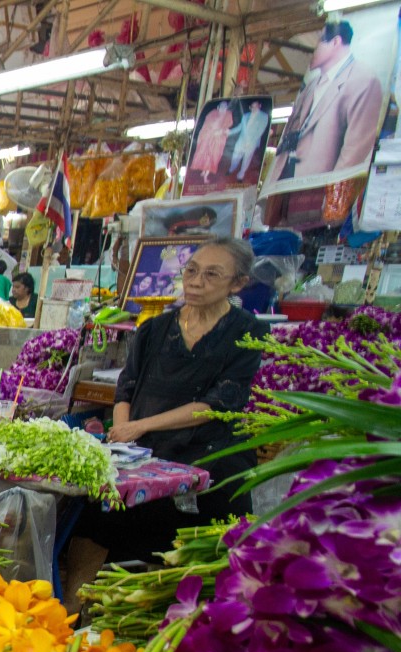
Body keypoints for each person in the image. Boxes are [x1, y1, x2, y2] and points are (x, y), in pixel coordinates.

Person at [72, 237, 265, 567]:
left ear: (238, 283)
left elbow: (219, 403)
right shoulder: (155, 329)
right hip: (146, 450)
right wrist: (122, 436)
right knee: (93, 513)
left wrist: (139, 426)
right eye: (191, 270)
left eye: (212, 275)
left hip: (210, 450)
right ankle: (77, 607)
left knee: (204, 520)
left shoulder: (248, 332)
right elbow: (126, 390)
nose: (195, 281)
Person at [265, 20, 385, 187]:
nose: (313, 51)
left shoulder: (364, 80)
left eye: (320, 42)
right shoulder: (312, 84)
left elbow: (354, 151)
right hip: (286, 181)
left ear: (335, 42)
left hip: (316, 190)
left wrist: (330, 200)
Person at [190, 101, 234, 182]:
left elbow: (227, 129)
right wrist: (208, 134)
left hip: (217, 140)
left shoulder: (228, 115)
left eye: (225, 107)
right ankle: (204, 171)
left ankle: (206, 176)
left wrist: (221, 131)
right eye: (221, 106)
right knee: (204, 154)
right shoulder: (212, 113)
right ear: (218, 107)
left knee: (212, 156)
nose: (223, 108)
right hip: (208, 137)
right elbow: (206, 125)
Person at [230, 99, 272, 181]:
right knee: (235, 156)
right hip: (241, 140)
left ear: (259, 106)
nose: (253, 108)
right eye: (252, 107)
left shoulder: (264, 116)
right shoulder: (245, 115)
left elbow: (260, 131)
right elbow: (239, 128)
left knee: (246, 158)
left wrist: (250, 141)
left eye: (255, 106)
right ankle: (232, 168)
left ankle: (241, 174)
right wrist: (228, 132)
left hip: (252, 142)